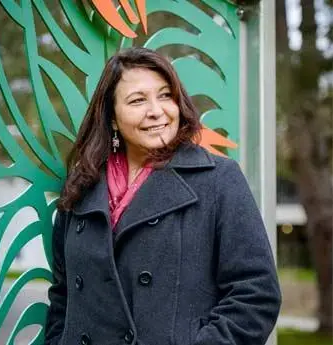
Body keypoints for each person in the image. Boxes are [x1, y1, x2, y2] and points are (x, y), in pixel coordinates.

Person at [44, 47, 281, 345]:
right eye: (138, 100)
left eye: (166, 95)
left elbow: (256, 294)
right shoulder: (82, 185)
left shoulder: (218, 179)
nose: (157, 110)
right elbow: (63, 293)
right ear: (112, 118)